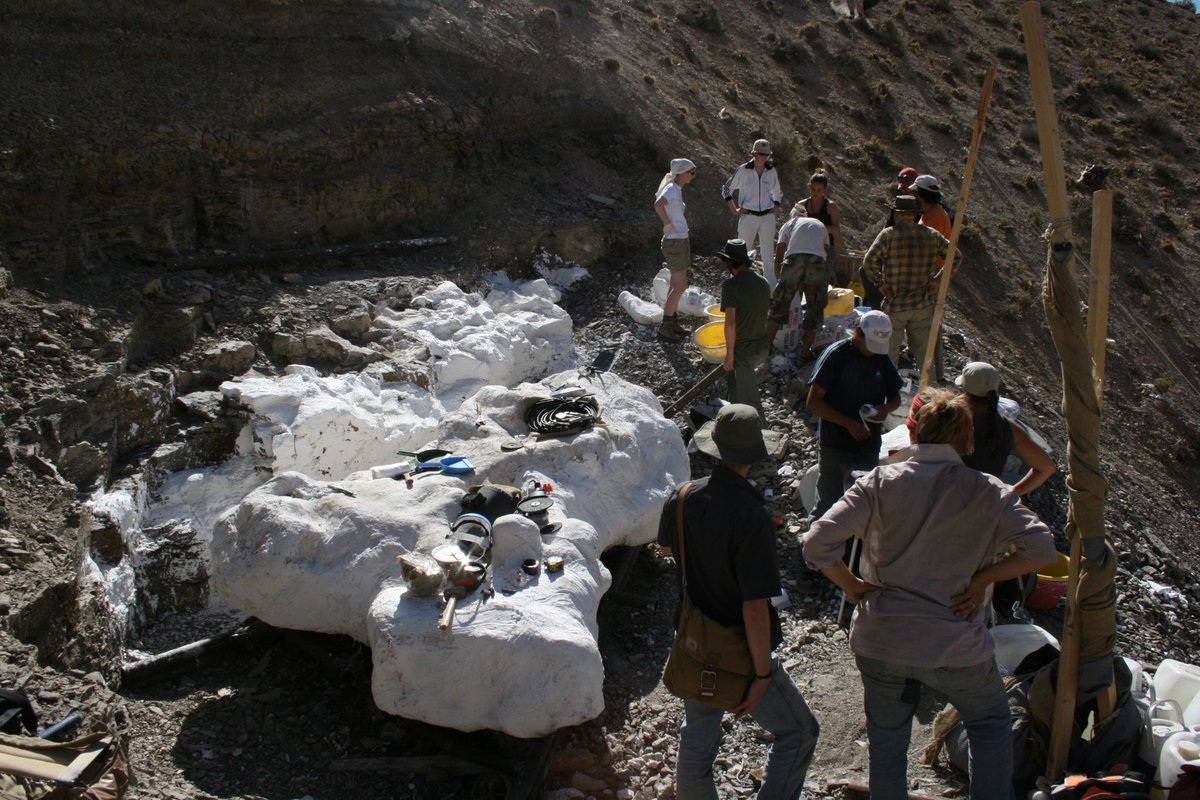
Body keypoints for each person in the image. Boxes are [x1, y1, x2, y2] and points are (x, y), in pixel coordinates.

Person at [802, 390, 1056, 800]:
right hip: (956, 644)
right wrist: (983, 579)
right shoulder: (990, 491)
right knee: (990, 726)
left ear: (912, 432)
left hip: (881, 638)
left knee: (887, 741)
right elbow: (1041, 549)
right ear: (968, 441)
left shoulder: (881, 482)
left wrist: (851, 586)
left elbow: (816, 545)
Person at [658, 404, 820, 800]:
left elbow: (664, 548)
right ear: (754, 454)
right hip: (741, 649)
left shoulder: (682, 498)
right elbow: (754, 606)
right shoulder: (751, 514)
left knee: (697, 740)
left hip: (695, 637)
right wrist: (763, 674)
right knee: (799, 733)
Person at [905, 362, 1056, 496]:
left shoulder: (946, 419)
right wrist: (1011, 493)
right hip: (979, 504)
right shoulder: (1009, 428)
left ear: (964, 388)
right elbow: (1047, 468)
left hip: (937, 495)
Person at [806, 310, 901, 520]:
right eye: (869, 344)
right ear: (858, 333)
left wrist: (885, 409)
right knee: (828, 506)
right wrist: (848, 423)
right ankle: (813, 551)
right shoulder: (836, 355)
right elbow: (814, 402)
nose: (871, 352)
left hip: (868, 445)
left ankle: (849, 552)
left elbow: (896, 397)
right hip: (835, 444)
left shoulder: (881, 359)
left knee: (862, 507)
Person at [862, 195, 949, 374]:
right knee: (925, 359)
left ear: (897, 214)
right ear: (915, 215)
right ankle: (928, 396)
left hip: (895, 304)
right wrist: (938, 280)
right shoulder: (931, 235)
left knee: (889, 356)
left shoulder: (888, 235)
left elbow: (868, 263)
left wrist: (880, 284)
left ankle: (888, 395)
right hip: (922, 305)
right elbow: (956, 257)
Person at [717, 240, 773, 420]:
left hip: (744, 353)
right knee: (735, 385)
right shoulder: (763, 282)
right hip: (762, 347)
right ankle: (734, 421)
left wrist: (730, 354)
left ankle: (760, 436)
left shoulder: (731, 286)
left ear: (728, 263)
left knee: (751, 402)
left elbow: (731, 323)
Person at [768, 204, 829, 360]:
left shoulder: (789, 224)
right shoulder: (819, 224)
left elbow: (779, 254)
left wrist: (781, 283)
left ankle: (767, 347)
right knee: (814, 309)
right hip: (817, 263)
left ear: (792, 216)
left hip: (794, 261)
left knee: (779, 306)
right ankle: (806, 351)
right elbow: (827, 252)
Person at [722, 140, 784, 292]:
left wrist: (776, 204)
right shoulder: (743, 170)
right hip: (748, 216)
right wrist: (734, 209)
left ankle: (770, 290)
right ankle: (736, 286)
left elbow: (778, 192)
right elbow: (726, 189)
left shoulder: (771, 171)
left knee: (768, 254)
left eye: (766, 155)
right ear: (753, 154)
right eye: (760, 154)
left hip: (767, 217)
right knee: (741, 253)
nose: (763, 157)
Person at [913, 174, 951, 381]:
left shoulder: (934, 217)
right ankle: (936, 373)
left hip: (930, 275)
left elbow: (926, 248)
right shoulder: (934, 213)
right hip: (931, 274)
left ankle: (933, 376)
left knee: (928, 326)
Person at [655, 158, 698, 341]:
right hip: (675, 241)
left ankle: (671, 322)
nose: (693, 175)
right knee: (681, 285)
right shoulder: (672, 189)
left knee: (675, 283)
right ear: (682, 173)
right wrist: (668, 223)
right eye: (692, 172)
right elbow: (658, 204)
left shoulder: (676, 189)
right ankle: (665, 326)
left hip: (678, 239)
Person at [798, 170, 846, 285]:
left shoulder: (830, 207)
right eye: (813, 189)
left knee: (822, 278)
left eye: (819, 190)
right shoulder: (802, 205)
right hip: (807, 245)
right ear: (809, 187)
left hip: (826, 247)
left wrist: (818, 227)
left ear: (824, 189)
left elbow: (836, 229)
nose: (815, 193)